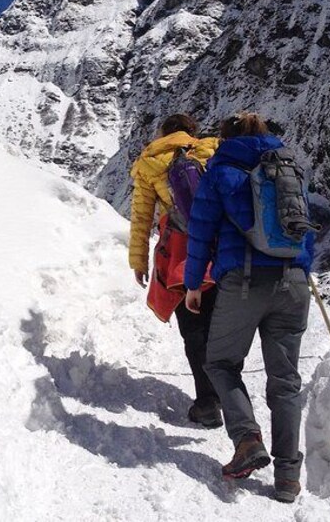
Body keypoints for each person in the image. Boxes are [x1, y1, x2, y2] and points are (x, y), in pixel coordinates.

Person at [183, 112, 314, 503]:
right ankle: (288, 476)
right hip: (293, 283)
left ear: (226, 138)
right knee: (286, 380)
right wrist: (302, 270)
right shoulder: (289, 166)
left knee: (221, 362)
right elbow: (305, 228)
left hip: (242, 281)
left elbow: (200, 230)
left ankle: (247, 439)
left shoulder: (220, 170)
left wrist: (192, 284)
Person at [129, 114, 221, 428]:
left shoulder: (150, 163)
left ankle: (208, 402)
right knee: (219, 326)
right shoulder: (211, 151)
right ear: (191, 132)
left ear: (163, 133)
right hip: (223, 249)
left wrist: (138, 262)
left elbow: (141, 219)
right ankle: (230, 397)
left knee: (194, 331)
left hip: (182, 255)